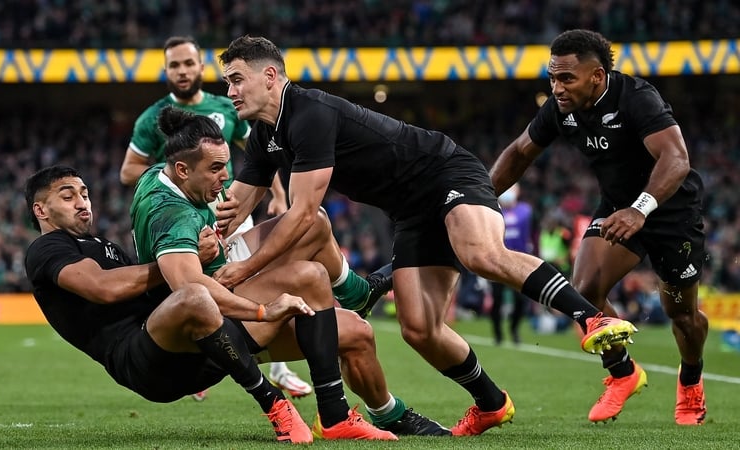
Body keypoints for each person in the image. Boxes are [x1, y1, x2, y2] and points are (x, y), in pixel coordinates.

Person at [215, 35, 639, 436]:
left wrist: (243, 269)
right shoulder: (266, 135)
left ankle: (591, 317)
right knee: (418, 328)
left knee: (480, 254)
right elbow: (234, 207)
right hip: (410, 212)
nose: (230, 91)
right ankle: (491, 403)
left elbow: (305, 215)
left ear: (269, 76)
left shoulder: (309, 113)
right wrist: (201, 242)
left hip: (445, 173)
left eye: (236, 79)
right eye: (227, 82)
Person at [129, 106, 449, 438]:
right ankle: (334, 415)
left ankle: (387, 409)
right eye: (215, 168)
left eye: (225, 165)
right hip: (209, 327)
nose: (225, 176)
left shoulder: (166, 174)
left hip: (220, 276)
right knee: (309, 276)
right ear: (183, 170)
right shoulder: (171, 213)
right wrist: (264, 311)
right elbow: (189, 291)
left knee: (356, 327)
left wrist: (222, 232)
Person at [489, 29, 708, 425]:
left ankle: (691, 380)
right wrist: (477, 202)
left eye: (566, 78)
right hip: (618, 207)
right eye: (552, 78)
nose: (557, 88)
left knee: (682, 315)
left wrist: (640, 210)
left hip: (671, 211)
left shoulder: (637, 97)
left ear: (597, 76)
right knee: (584, 290)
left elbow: (676, 159)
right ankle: (623, 372)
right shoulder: (561, 108)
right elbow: (520, 152)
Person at [23, 165, 314, 444]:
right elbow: (104, 288)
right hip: (141, 361)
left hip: (179, 348)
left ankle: (333, 408)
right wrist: (184, 257)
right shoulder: (47, 248)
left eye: (84, 194)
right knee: (193, 295)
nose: (82, 202)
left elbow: (151, 290)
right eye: (68, 196)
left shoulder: (101, 244)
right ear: (41, 210)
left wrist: (205, 255)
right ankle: (273, 401)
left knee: (313, 284)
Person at [119, 35, 311, 399]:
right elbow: (128, 171)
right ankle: (212, 347)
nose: (182, 71)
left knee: (278, 261)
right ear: (166, 71)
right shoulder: (152, 119)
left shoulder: (227, 107)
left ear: (201, 67)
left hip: (227, 211)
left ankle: (278, 367)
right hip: (187, 217)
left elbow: (260, 152)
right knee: (209, 285)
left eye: (188, 63)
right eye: (174, 65)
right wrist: (175, 171)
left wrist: (278, 194)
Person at [489, 184, 533, 345]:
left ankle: (514, 329)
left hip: (518, 263)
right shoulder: (492, 209)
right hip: (496, 262)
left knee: (521, 301)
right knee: (497, 299)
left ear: (518, 192)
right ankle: (498, 334)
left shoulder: (526, 211)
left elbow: (534, 233)